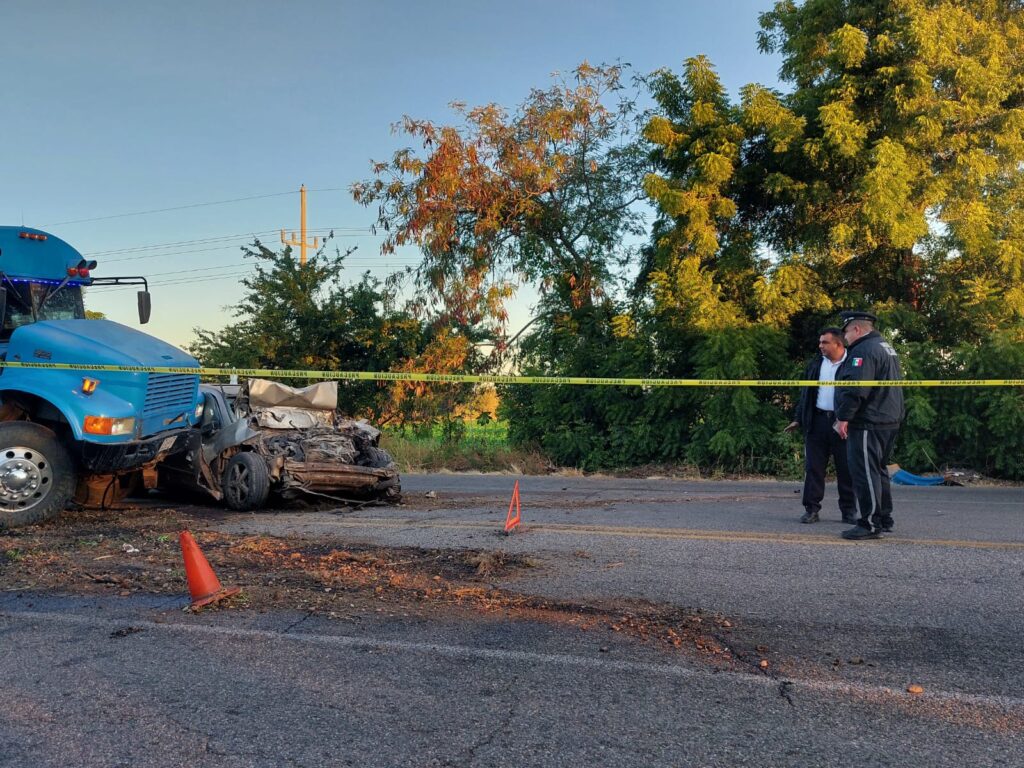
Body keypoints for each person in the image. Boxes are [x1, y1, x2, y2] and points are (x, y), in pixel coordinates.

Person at [834, 311, 905, 540]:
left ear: (856, 329)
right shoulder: (885, 346)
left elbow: (856, 389)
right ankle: (884, 518)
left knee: (864, 472)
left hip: (869, 420)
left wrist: (844, 417)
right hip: (888, 418)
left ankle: (869, 523)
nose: (845, 337)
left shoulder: (863, 350)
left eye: (846, 332)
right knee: (878, 470)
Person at [785, 327, 857, 525]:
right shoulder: (816, 364)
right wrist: (798, 418)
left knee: (846, 469)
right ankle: (811, 509)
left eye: (825, 342)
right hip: (816, 422)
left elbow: (859, 395)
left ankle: (849, 511)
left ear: (838, 344)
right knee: (813, 468)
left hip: (843, 422)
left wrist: (850, 419)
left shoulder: (853, 364)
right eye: (820, 342)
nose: (820, 346)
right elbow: (806, 394)